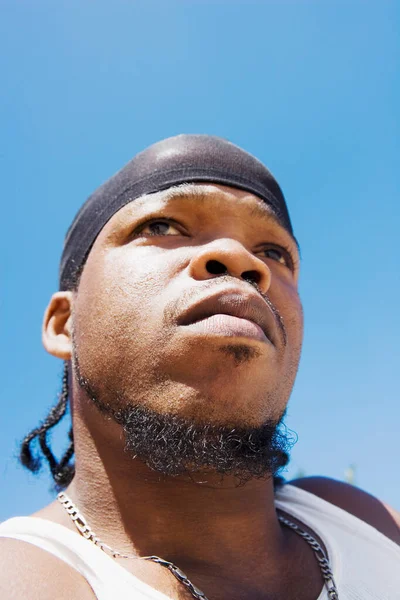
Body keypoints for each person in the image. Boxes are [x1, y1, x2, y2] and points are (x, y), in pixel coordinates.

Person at [0, 135, 399, 600]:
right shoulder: (25, 576)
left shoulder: (360, 520)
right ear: (64, 324)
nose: (242, 260)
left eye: (274, 252)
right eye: (164, 225)